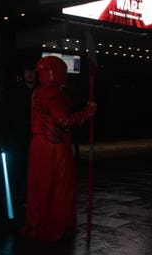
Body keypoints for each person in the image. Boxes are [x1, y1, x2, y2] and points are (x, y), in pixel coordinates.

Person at [20, 56, 96, 242]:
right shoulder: (51, 92)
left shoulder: (38, 92)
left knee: (40, 187)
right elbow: (64, 120)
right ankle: (55, 224)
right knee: (57, 188)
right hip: (54, 148)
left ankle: (40, 222)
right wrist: (88, 112)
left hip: (39, 146)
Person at [2, 61, 37, 223]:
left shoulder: (39, 91)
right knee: (18, 171)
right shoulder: (16, 92)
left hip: (34, 138)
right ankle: (19, 200)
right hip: (18, 139)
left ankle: (28, 200)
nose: (29, 74)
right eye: (27, 71)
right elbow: (9, 116)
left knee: (32, 171)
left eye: (32, 71)